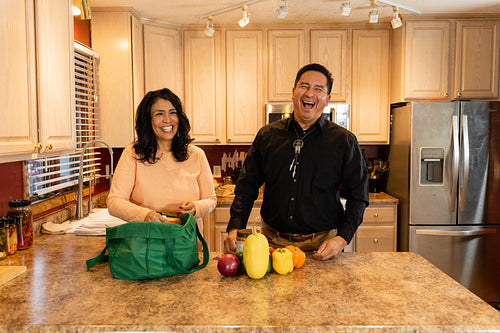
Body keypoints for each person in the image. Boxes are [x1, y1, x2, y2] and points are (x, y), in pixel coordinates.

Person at [223, 63, 369, 260]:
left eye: (318, 89)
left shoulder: (345, 141)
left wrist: (342, 238)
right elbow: (246, 187)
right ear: (293, 92)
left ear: (327, 99)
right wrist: (235, 226)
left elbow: (358, 196)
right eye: (304, 86)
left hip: (323, 247)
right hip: (271, 244)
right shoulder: (267, 136)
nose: (310, 93)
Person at [106, 88, 216, 234]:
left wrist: (197, 207)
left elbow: (211, 201)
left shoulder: (196, 155)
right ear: (148, 120)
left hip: (187, 242)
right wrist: (145, 215)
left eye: (173, 112)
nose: (167, 120)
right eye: (159, 114)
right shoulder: (132, 154)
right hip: (147, 242)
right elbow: (114, 202)